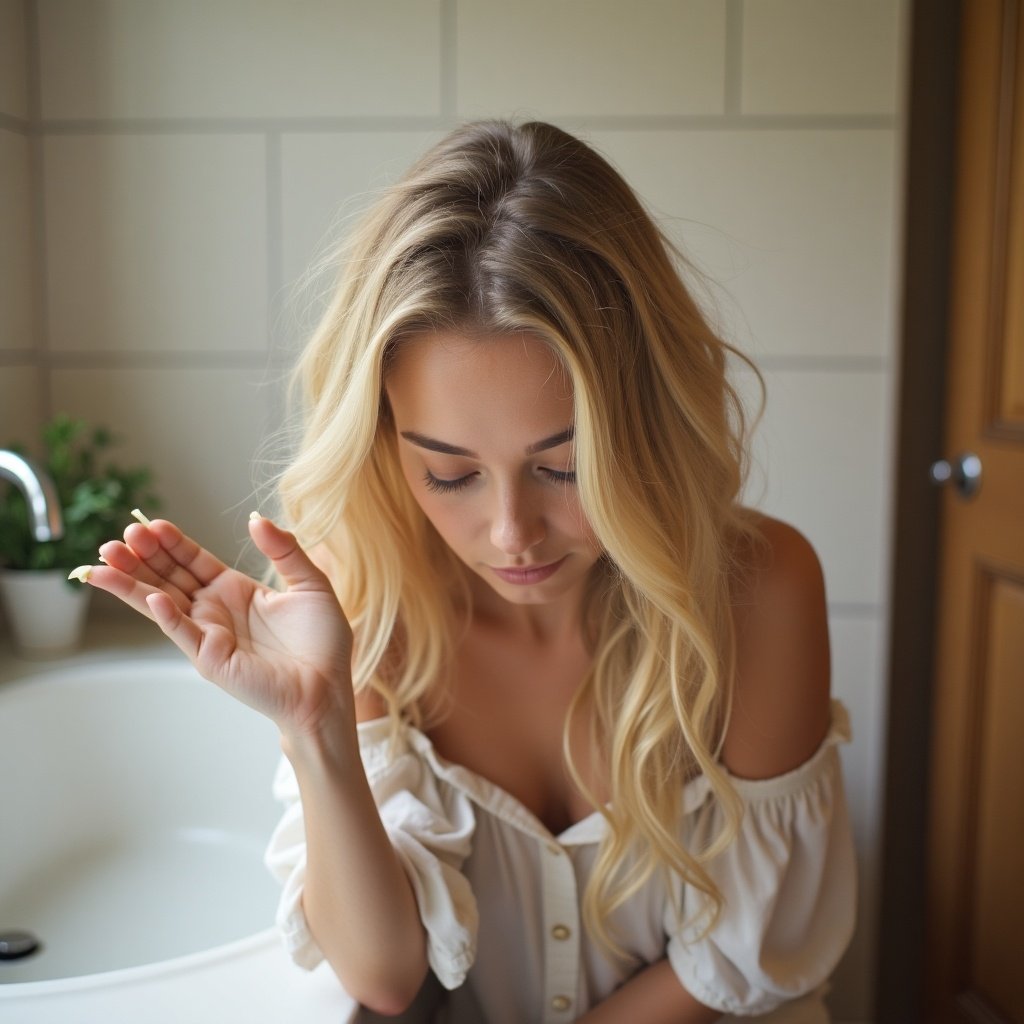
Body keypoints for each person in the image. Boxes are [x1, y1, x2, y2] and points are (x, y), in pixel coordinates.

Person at [78, 120, 856, 1022]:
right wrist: (314, 726)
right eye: (449, 474)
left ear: (646, 419)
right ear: (383, 440)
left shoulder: (760, 589)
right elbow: (383, 976)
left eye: (565, 468)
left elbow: (744, 964)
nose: (510, 532)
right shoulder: (354, 594)